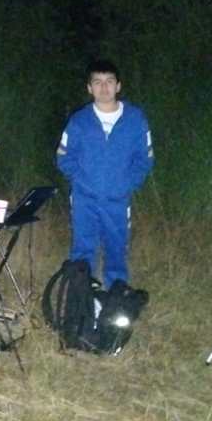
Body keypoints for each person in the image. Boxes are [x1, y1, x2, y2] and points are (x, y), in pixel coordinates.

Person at [56, 59, 154, 289]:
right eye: (97, 82)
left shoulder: (135, 119)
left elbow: (145, 159)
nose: (104, 87)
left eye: (109, 81)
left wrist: (126, 185)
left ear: (118, 86)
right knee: (82, 251)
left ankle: (115, 304)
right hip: (84, 199)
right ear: (89, 88)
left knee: (116, 251)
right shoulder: (79, 120)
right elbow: (63, 157)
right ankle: (81, 304)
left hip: (117, 200)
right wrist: (82, 181)